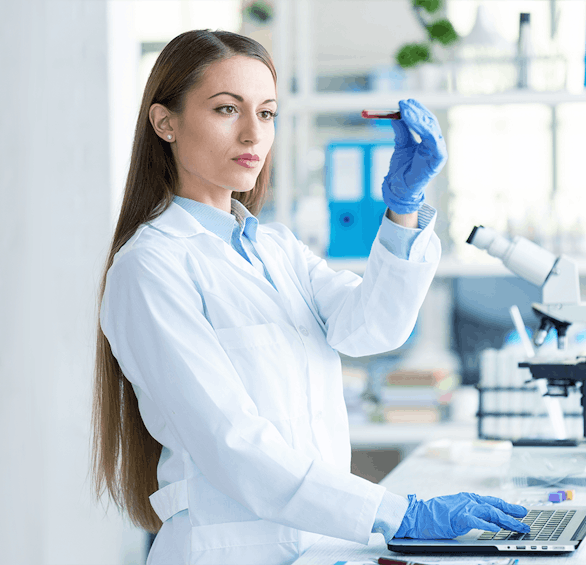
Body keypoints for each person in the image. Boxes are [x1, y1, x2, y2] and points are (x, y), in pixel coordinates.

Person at [91, 30, 529, 565]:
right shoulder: (150, 268)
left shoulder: (275, 248)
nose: (254, 132)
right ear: (166, 122)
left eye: (268, 113)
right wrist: (401, 515)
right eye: (227, 109)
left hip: (318, 546)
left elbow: (372, 328)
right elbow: (234, 445)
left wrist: (404, 210)